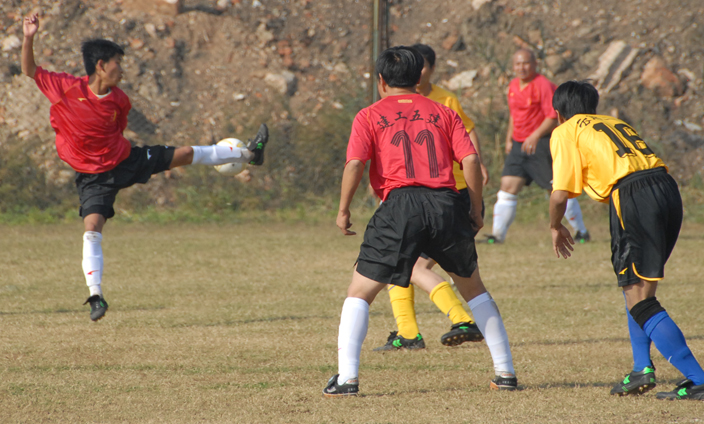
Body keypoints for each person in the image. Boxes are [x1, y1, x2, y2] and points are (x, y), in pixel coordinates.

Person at [21, 13, 269, 321]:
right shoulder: (65, 88)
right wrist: (29, 36)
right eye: (118, 63)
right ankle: (96, 296)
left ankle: (249, 154)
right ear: (101, 65)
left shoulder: (119, 100)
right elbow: (29, 69)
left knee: (185, 153)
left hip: (125, 160)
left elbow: (118, 130)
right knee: (91, 229)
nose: (122, 69)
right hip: (93, 177)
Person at [322, 46, 516, 397]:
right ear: (418, 78)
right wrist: (475, 208)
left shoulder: (369, 115)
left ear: (381, 81)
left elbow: (355, 164)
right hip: (446, 204)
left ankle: (347, 379)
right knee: (474, 289)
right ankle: (506, 373)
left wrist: (343, 209)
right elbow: (471, 160)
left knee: (360, 292)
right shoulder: (443, 111)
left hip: (399, 205)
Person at [548, 80, 704, 401]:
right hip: (666, 187)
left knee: (640, 299)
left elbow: (559, 195)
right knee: (637, 288)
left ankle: (699, 381)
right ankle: (641, 368)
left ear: (558, 114)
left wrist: (555, 226)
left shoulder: (565, 131)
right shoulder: (614, 122)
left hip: (633, 196)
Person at [372, 43, 487, 351]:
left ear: (430, 69)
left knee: (414, 268)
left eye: (421, 65)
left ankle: (462, 319)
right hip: (415, 196)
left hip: (449, 194)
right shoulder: (391, 104)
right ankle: (408, 333)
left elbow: (468, 132)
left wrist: (477, 165)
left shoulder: (444, 100)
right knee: (400, 264)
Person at [478, 49, 589, 244]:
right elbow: (514, 114)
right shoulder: (513, 85)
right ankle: (497, 236)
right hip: (519, 144)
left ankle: (581, 232)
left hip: (541, 143)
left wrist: (535, 135)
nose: (522, 67)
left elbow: (553, 116)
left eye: (526, 63)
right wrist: (509, 138)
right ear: (513, 66)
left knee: (557, 188)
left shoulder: (543, 85)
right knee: (507, 187)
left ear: (535, 64)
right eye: (518, 64)